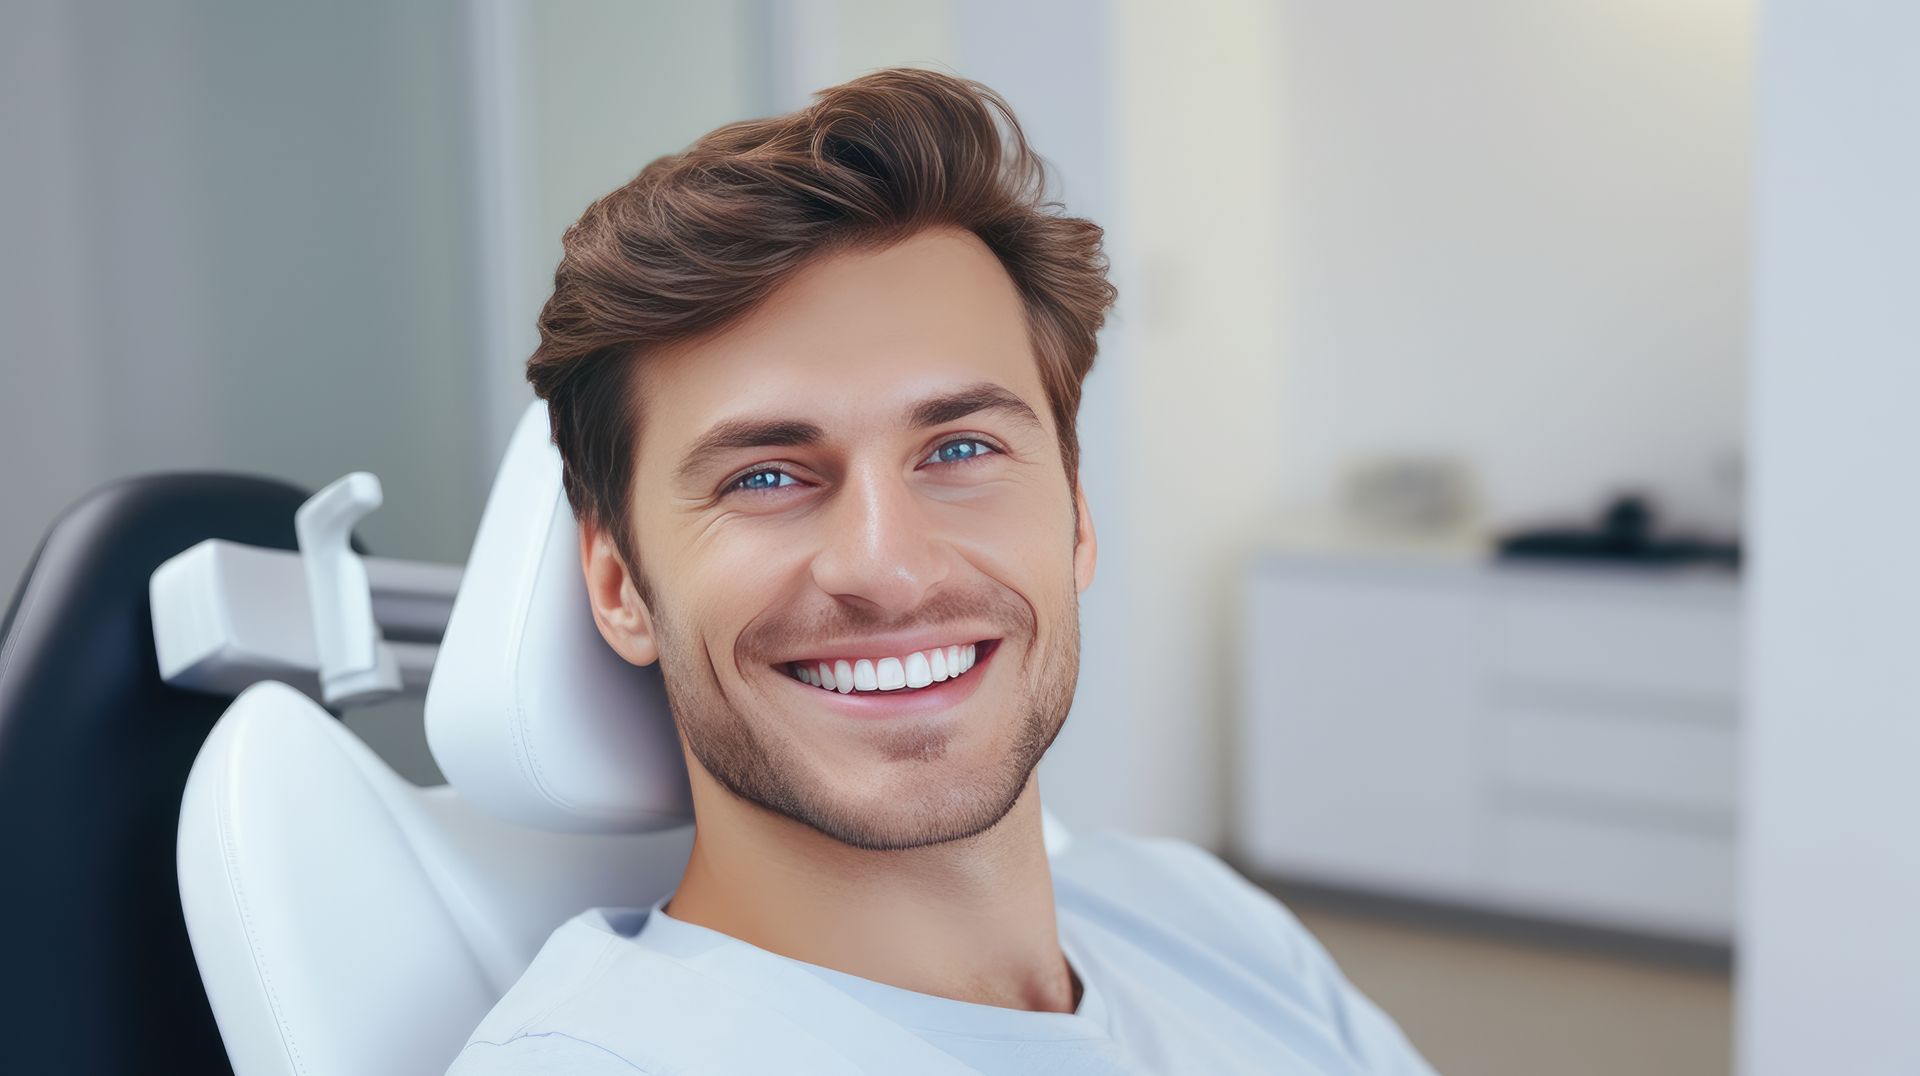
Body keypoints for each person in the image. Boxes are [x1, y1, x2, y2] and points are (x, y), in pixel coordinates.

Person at [447, 66, 1436, 1075]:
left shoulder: (1199, 915)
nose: (889, 568)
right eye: (768, 475)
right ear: (618, 586)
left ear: (1077, 512)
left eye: (960, 450)